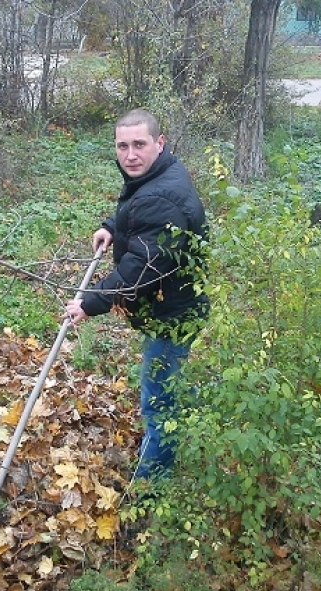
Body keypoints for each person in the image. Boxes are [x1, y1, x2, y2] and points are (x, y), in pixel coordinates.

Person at [62, 109, 208, 480]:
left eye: (139, 144)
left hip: (172, 313)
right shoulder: (162, 176)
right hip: (176, 302)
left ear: (159, 143)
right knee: (166, 379)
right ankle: (179, 423)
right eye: (122, 146)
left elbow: (139, 268)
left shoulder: (163, 197)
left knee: (156, 399)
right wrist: (111, 226)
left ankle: (151, 484)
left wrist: (91, 302)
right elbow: (139, 214)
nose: (130, 155)